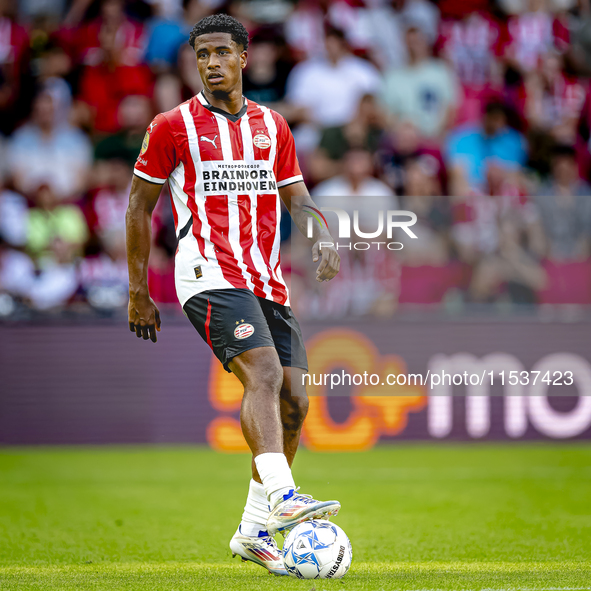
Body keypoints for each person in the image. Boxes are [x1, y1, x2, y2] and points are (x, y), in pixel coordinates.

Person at [125, 14, 341, 576]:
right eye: (202, 55)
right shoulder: (172, 126)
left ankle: (250, 533)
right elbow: (138, 208)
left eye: (222, 52)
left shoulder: (273, 125)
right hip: (206, 274)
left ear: (244, 57)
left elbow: (297, 197)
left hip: (266, 278)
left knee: (296, 402)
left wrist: (319, 237)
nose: (212, 63)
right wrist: (138, 290)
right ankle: (283, 495)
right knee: (264, 375)